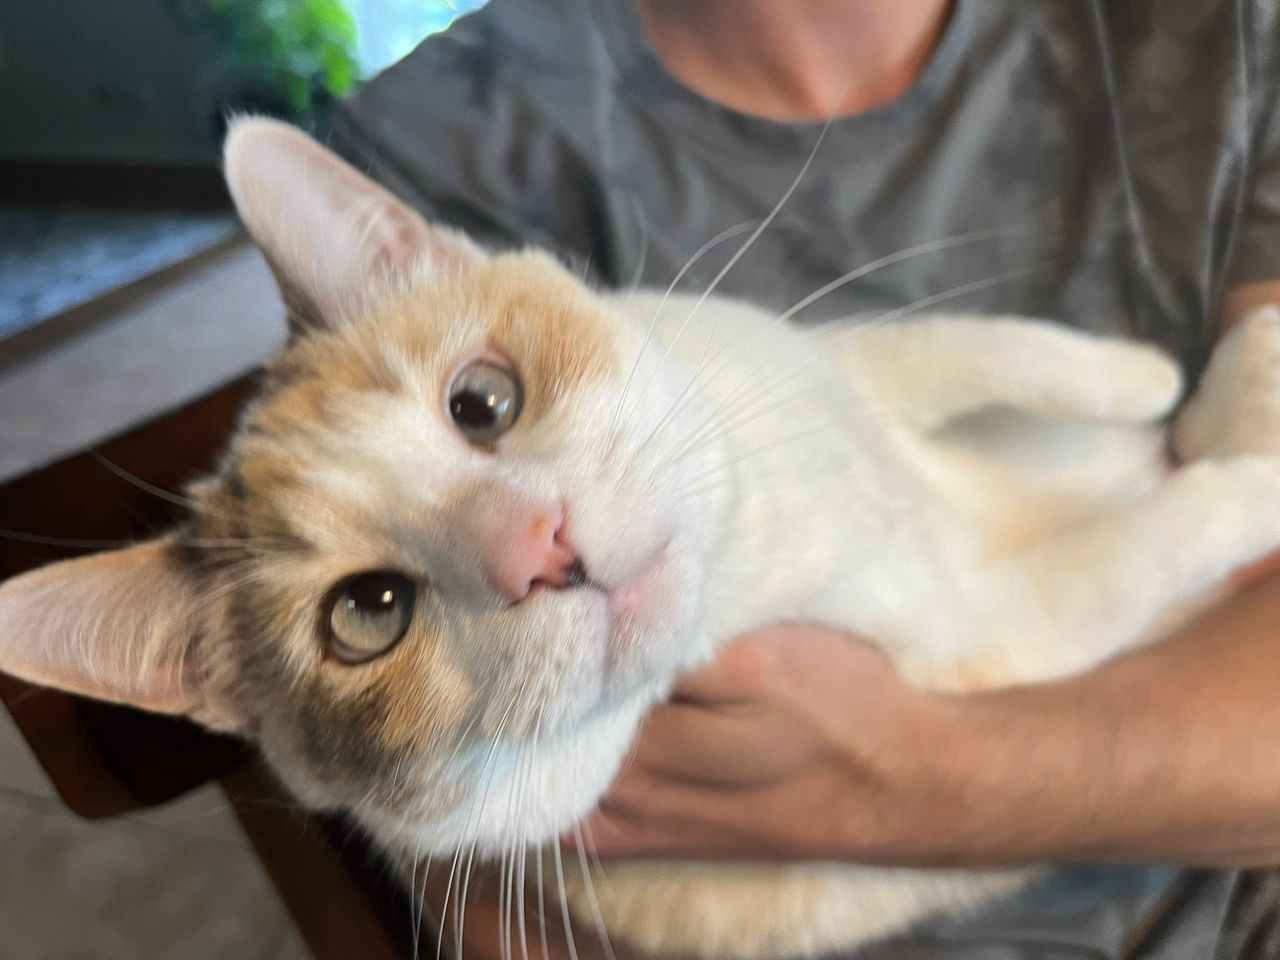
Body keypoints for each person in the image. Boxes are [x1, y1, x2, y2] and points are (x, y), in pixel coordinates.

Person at [330, 0, 1280, 956]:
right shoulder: (435, 141)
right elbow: (487, 876)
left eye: (484, 405)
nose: (529, 542)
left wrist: (904, 783)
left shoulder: (1224, 35)